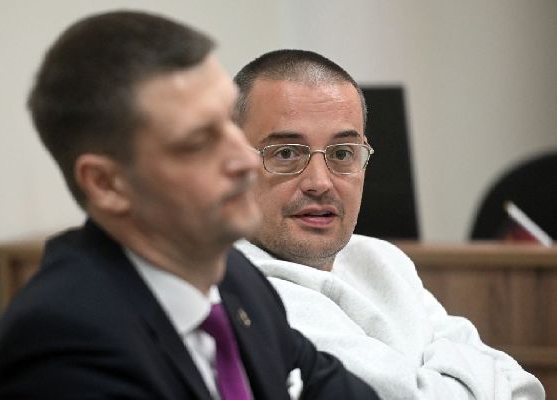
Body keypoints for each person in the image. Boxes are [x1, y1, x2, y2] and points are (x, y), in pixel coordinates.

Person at [0, 13, 379, 400]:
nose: (244, 160)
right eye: (199, 141)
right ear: (107, 184)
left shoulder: (235, 279)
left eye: (229, 126)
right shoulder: (60, 347)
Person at [233, 49, 545, 399]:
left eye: (342, 153)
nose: (320, 182)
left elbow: (523, 388)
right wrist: (452, 367)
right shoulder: (244, 291)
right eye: (286, 153)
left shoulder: (380, 258)